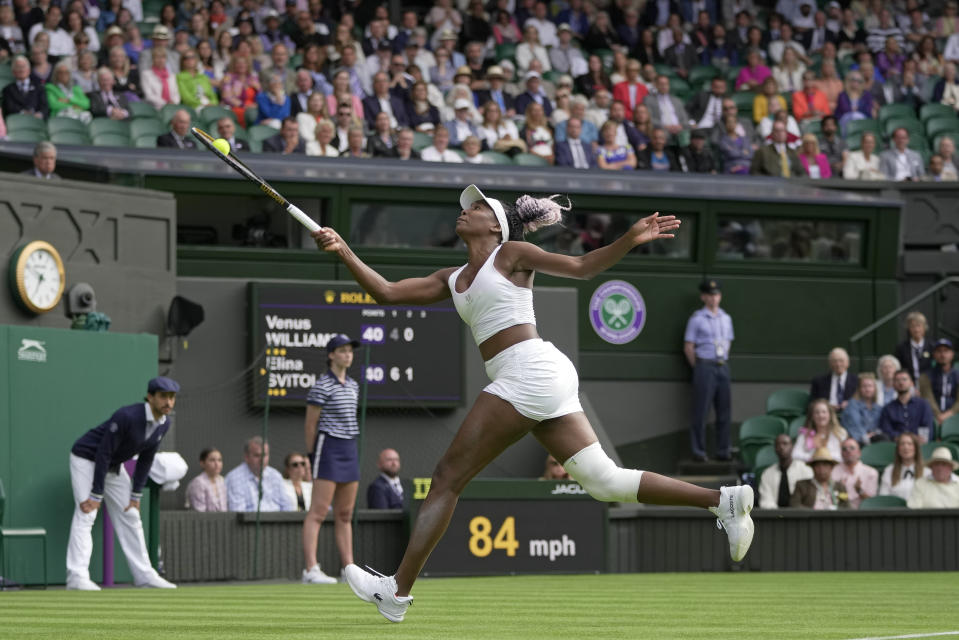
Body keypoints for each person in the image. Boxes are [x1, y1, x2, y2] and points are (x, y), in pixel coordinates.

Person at [314, 185, 755, 622]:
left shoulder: (511, 255)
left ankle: (396, 592)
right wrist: (344, 250)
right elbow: (387, 293)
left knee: (447, 476)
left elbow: (581, 266)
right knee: (605, 481)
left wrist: (627, 240)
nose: (466, 212)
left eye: (479, 208)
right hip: (537, 377)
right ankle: (724, 501)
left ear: (496, 226)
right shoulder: (452, 278)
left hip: (530, 372)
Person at [66, 376, 180, 590]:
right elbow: (103, 452)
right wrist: (96, 494)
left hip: (112, 466)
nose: (168, 402)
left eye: (172, 398)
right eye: (163, 396)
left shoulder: (164, 423)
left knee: (131, 514)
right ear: (150, 397)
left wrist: (136, 495)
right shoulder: (127, 416)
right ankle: (77, 576)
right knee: (87, 512)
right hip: (86, 459)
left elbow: (147, 458)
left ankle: (144, 576)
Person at [302, 334, 362, 585]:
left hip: (349, 448)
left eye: (350, 350)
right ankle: (311, 569)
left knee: (345, 513)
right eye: (342, 350)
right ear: (331, 355)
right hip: (328, 448)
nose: (348, 354)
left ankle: (348, 569)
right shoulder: (321, 385)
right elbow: (310, 424)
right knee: (317, 512)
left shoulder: (354, 385)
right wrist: (311, 455)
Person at [683, 278, 734, 463]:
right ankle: (699, 451)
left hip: (722, 365)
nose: (714, 299)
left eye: (717, 295)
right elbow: (689, 346)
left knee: (724, 410)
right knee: (701, 410)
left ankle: (723, 450)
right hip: (704, 365)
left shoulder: (726, 318)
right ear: (703, 297)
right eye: (710, 295)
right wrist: (698, 367)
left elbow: (728, 341)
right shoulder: (697, 319)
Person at [225, 436, 292, 512]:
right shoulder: (234, 479)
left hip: (277, 522)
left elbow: (287, 506)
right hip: (249, 523)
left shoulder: (275, 476)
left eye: (265, 455)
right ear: (246, 457)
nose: (262, 460)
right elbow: (237, 513)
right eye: (257, 455)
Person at [758, 433, 813, 509]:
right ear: (775, 449)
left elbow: (809, 499)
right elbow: (766, 501)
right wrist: (780, 515)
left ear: (792, 447)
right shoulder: (767, 474)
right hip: (775, 517)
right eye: (778, 444)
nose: (781, 447)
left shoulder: (805, 470)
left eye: (785, 443)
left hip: (801, 516)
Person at [878, 369, 935, 442]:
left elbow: (927, 428)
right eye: (897, 380)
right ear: (893, 385)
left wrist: (916, 440)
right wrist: (902, 439)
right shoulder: (888, 408)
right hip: (895, 446)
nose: (901, 382)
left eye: (904, 379)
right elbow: (886, 430)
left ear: (911, 383)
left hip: (920, 445)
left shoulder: (923, 404)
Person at [793, 398, 848, 464]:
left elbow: (844, 456)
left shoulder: (840, 433)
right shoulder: (805, 434)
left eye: (824, 412)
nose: (820, 415)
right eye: (817, 412)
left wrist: (825, 457)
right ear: (812, 416)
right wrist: (814, 457)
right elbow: (794, 454)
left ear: (830, 415)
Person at [830, 438, 878, 509]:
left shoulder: (871, 472)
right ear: (841, 454)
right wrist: (840, 489)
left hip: (862, 514)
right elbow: (829, 497)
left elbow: (872, 503)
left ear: (859, 453)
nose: (848, 451)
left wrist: (859, 491)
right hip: (839, 512)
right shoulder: (833, 470)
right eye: (844, 449)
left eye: (852, 448)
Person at [879, 432, 929, 500]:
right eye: (902, 444)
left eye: (910, 444)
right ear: (898, 449)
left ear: (916, 448)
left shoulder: (927, 472)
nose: (906, 447)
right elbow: (883, 498)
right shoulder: (889, 471)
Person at [919, 339, 959, 423]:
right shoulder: (925, 376)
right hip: (932, 416)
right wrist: (938, 416)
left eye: (946, 351)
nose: (943, 354)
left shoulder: (957, 374)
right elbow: (928, 398)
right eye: (939, 351)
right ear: (934, 354)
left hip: (955, 415)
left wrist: (949, 414)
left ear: (952, 354)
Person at [809, 347, 859, 411]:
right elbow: (812, 403)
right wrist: (826, 406)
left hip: (849, 414)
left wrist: (851, 404)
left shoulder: (857, 381)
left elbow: (864, 402)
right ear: (830, 363)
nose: (838, 364)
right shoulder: (818, 381)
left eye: (841, 361)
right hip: (826, 416)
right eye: (834, 361)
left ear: (848, 363)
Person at [841, 373, 884, 444]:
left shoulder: (878, 408)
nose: (867, 389)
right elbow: (855, 425)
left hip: (874, 440)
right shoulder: (852, 404)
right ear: (859, 389)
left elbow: (880, 427)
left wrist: (874, 434)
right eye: (864, 386)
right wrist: (866, 436)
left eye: (870, 386)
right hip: (857, 441)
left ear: (875, 388)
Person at [894, 311, 933, 384]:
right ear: (908, 328)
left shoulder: (931, 346)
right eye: (913, 326)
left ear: (924, 327)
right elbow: (899, 368)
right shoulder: (901, 348)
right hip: (907, 384)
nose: (916, 330)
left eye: (919, 326)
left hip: (928, 383)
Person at [185, 447, 227, 512]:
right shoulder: (198, 483)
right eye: (212, 460)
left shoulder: (222, 481)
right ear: (202, 463)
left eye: (219, 460)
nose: (217, 464)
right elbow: (200, 512)